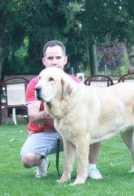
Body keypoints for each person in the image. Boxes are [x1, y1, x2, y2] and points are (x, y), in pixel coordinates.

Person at [20, 40, 103, 179]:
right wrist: (52, 111)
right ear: (44, 61)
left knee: (93, 128)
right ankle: (42, 162)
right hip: (43, 133)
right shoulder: (35, 84)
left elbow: (86, 111)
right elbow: (33, 117)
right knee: (28, 160)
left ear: (65, 60)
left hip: (71, 129)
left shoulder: (74, 83)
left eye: (58, 58)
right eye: (50, 58)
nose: (54, 62)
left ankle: (91, 168)